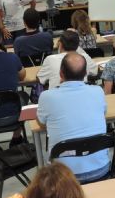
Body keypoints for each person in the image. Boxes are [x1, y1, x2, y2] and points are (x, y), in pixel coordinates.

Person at [36, 53, 110, 182]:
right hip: (101, 169)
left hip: (63, 178)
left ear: (61, 74)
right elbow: (103, 114)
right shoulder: (98, 91)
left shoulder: (46, 96)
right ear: (85, 73)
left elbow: (42, 124)